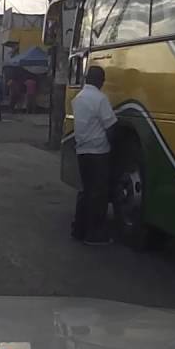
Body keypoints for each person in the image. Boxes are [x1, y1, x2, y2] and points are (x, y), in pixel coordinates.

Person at [71, 65, 117, 245]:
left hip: (82, 151)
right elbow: (110, 125)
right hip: (98, 152)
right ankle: (94, 234)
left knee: (85, 191)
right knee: (98, 194)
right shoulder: (100, 99)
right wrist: (114, 145)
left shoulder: (79, 98)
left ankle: (78, 229)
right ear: (100, 80)